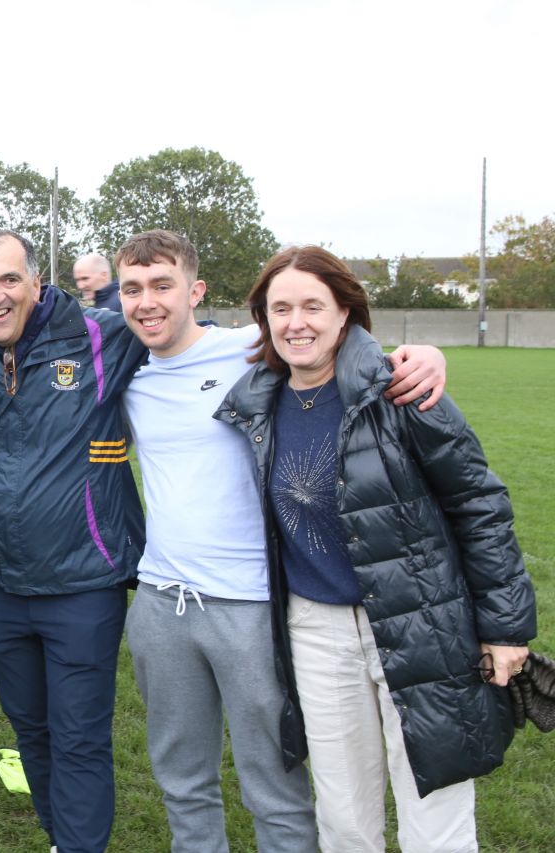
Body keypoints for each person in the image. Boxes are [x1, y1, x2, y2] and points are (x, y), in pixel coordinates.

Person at [116, 231, 446, 852]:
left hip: (253, 604)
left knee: (276, 787)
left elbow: (337, 341)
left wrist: (423, 353)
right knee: (182, 780)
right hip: (161, 601)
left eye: (163, 285)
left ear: (196, 290)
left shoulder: (252, 347)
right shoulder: (128, 377)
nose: (147, 302)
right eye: (132, 289)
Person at [218, 245, 538, 852]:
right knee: (342, 815)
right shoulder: (257, 401)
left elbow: (479, 503)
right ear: (264, 319)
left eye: (314, 305)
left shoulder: (400, 389)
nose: (296, 322)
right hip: (315, 630)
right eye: (280, 308)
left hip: (423, 620)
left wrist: (506, 628)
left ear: (346, 313)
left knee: (434, 812)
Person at [0, 229, 146, 853]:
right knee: (34, 736)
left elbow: (197, 333)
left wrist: (408, 357)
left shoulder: (102, 336)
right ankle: (64, 838)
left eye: (9, 280)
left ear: (36, 283)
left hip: (84, 584)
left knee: (78, 738)